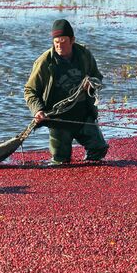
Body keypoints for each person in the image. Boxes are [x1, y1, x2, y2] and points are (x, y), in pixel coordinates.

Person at [24, 19, 109, 165]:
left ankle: (89, 170)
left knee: (99, 149)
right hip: (58, 120)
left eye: (63, 41)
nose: (59, 45)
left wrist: (92, 84)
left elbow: (98, 77)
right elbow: (30, 90)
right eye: (56, 42)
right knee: (61, 161)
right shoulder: (45, 62)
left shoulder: (84, 55)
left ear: (72, 40)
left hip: (83, 116)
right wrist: (37, 110)